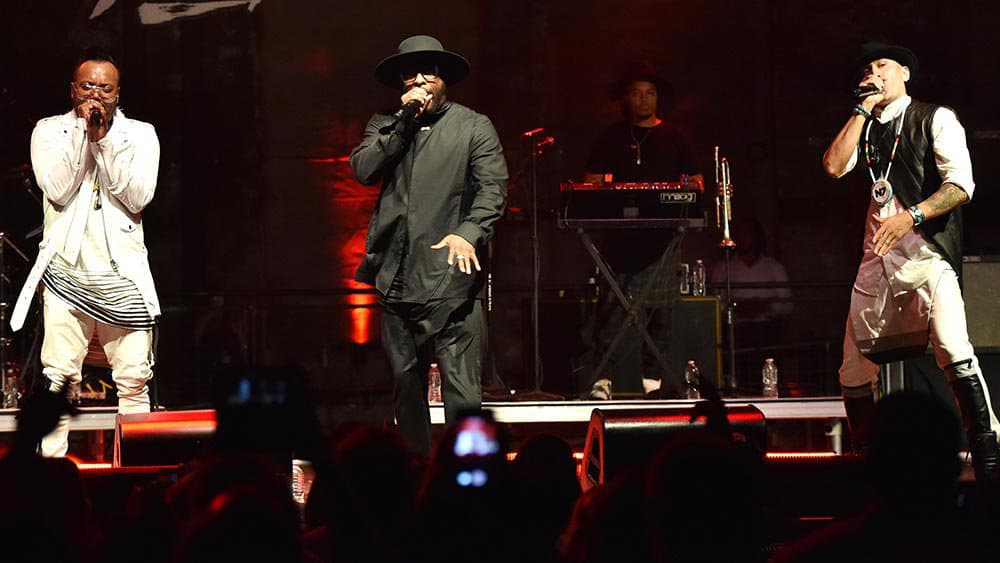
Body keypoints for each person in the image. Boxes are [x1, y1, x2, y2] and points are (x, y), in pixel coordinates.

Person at [822, 42, 999, 480]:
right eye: (868, 68)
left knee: (955, 351)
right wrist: (861, 111)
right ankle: (870, 460)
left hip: (927, 255)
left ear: (904, 72)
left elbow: (961, 186)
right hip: (876, 260)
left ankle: (988, 458)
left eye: (883, 65)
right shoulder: (864, 125)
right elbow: (832, 166)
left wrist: (911, 216)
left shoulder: (935, 117)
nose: (874, 72)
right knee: (852, 368)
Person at [350, 35, 508, 456]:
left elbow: (493, 191)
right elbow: (364, 169)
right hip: (396, 279)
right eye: (411, 73)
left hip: (451, 282)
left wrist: (469, 231)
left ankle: (468, 480)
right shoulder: (383, 125)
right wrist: (402, 120)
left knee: (461, 394)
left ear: (444, 79)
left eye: (429, 72)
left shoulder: (473, 126)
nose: (420, 80)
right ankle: (417, 476)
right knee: (406, 389)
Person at [9, 49, 161, 457]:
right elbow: (57, 189)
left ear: (117, 93)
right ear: (73, 89)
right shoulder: (48, 131)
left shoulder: (141, 135)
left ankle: (133, 468)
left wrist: (105, 142)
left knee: (133, 379)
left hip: (123, 276)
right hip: (66, 272)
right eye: (88, 85)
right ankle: (51, 475)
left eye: (105, 88)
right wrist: (83, 137)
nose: (96, 94)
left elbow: (138, 196)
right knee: (59, 378)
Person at [579, 60, 700, 399]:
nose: (644, 100)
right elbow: (590, 180)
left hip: (662, 240)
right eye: (637, 94)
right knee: (612, 310)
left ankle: (653, 384)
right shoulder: (612, 136)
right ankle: (602, 380)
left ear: (658, 99)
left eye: (650, 94)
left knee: (661, 312)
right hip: (620, 240)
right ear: (626, 98)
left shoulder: (675, 136)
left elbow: (695, 182)